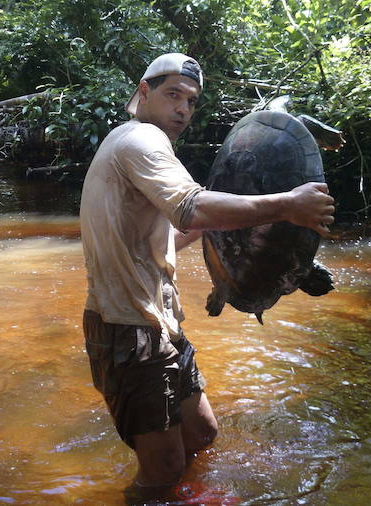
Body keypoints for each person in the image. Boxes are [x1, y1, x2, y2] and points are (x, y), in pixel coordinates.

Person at [79, 53, 335, 500]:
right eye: (172, 95)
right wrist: (287, 204)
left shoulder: (136, 146)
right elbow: (192, 205)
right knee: (162, 473)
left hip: (159, 324)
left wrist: (235, 231)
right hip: (129, 328)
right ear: (144, 92)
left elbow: (168, 236)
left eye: (191, 101)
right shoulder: (140, 140)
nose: (183, 109)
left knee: (202, 437)